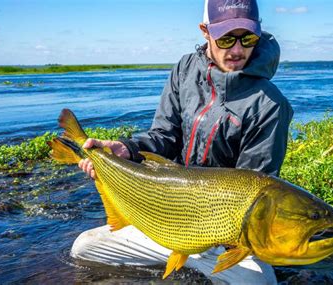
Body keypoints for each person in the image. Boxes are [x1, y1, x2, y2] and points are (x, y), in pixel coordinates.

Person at [73, 0, 293, 283]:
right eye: (226, 38)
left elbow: (254, 188)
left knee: (259, 283)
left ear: (258, 33)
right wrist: (125, 148)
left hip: (223, 241)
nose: (237, 50)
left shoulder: (270, 105)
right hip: (167, 219)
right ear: (206, 31)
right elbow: (164, 136)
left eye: (247, 38)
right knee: (84, 249)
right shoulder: (185, 69)